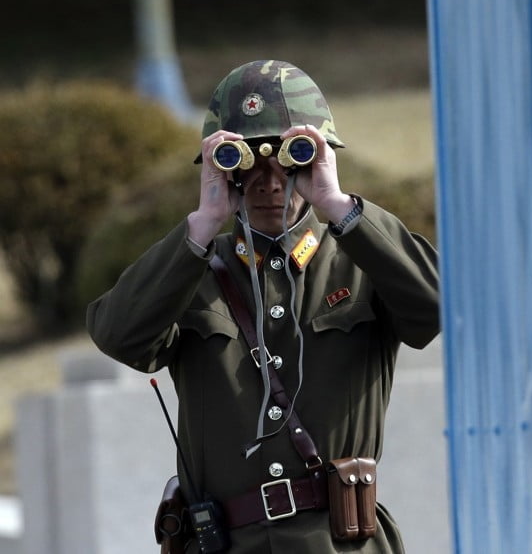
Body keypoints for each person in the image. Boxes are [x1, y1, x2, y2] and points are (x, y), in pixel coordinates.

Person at [87, 60, 440, 553]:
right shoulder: (194, 277)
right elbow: (118, 336)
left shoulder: (361, 265)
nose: (269, 181)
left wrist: (339, 206)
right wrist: (204, 223)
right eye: (246, 161)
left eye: (290, 158)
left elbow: (438, 307)